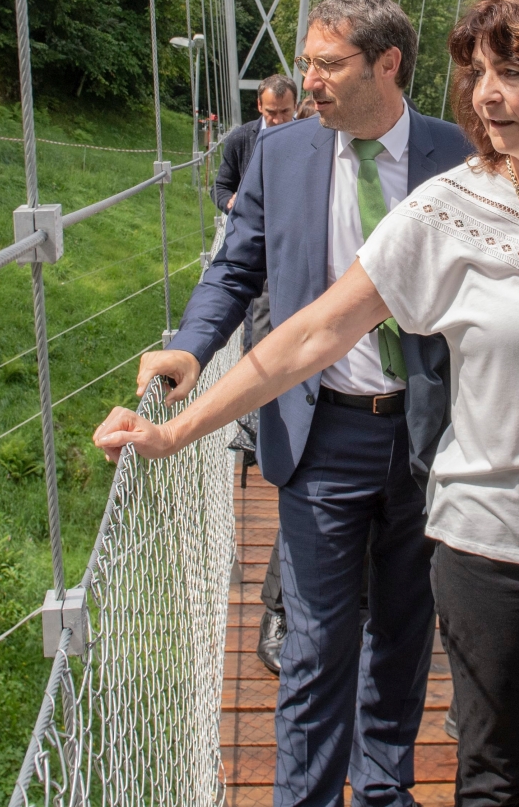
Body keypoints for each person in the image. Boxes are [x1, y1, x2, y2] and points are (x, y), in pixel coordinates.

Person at [98, 0, 519, 807]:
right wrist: (175, 424)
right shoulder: (447, 205)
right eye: (476, 71)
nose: (488, 93)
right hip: (462, 512)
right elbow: (309, 330)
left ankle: (384, 784)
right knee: (467, 753)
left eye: (513, 70)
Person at [129, 0, 472, 807]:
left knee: (401, 630)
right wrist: (190, 344)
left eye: (327, 64)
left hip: (431, 436)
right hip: (320, 431)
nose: (307, 81)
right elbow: (234, 268)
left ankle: (383, 784)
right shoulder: (278, 156)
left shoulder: (458, 154)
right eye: (307, 62)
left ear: (386, 64)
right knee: (318, 641)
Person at [211, 73, 302, 672]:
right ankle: (282, 610)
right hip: (268, 273)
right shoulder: (246, 142)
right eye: (267, 114)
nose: (274, 122)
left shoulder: (322, 145)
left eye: (285, 113)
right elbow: (223, 193)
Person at [217, 74, 300, 212]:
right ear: (259, 105)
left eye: (285, 111)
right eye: (271, 112)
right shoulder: (239, 139)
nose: (278, 120)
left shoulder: (311, 140)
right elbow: (221, 186)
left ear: (295, 105)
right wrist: (230, 203)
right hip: (254, 227)